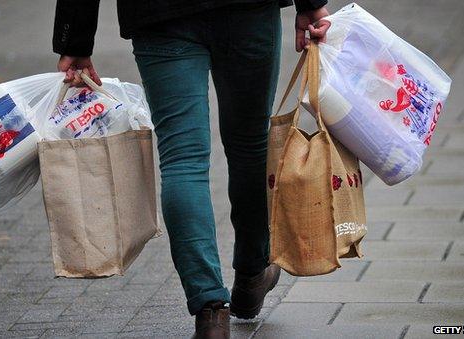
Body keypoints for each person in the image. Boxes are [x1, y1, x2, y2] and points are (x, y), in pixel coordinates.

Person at [53, 0, 330, 337]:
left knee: (182, 158)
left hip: (160, 16)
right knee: (250, 146)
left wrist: (75, 40)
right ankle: (253, 272)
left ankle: (210, 306)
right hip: (248, 10)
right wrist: (312, 5)